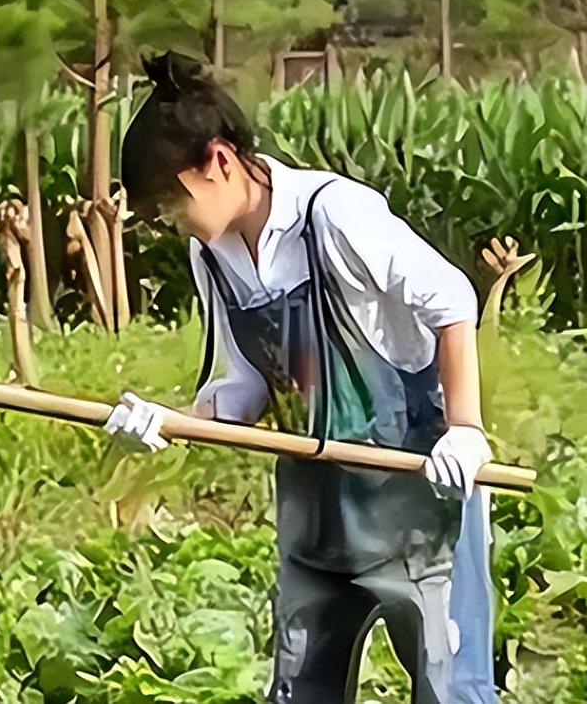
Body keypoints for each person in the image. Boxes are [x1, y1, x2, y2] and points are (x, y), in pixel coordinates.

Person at [105, 52, 497, 704]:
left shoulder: (333, 215)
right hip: (318, 515)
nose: (173, 220)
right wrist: (168, 422)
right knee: (302, 688)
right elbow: (249, 384)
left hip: (419, 504)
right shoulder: (213, 256)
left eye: (173, 201)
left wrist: (465, 429)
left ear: (219, 162)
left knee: (447, 686)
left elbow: (451, 298)